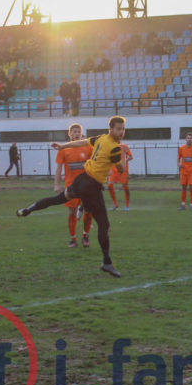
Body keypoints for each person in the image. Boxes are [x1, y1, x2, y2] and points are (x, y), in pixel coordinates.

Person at [16, 116, 127, 277]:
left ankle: (28, 210)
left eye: (123, 129)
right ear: (111, 129)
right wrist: (124, 152)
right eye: (118, 129)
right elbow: (121, 169)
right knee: (104, 224)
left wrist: (62, 146)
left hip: (81, 180)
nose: (121, 132)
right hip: (91, 186)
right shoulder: (115, 148)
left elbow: (81, 142)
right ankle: (107, 262)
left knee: (58, 199)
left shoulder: (101, 138)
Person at [55, 123, 95, 247]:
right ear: (70, 134)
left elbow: (94, 165)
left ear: (81, 134)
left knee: (88, 211)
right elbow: (59, 168)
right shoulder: (64, 149)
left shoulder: (88, 148)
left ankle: (85, 236)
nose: (76, 134)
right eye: (74, 132)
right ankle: (73, 238)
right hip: (71, 186)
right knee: (72, 212)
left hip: (87, 186)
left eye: (78, 132)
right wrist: (56, 184)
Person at [177, 132, 192, 210]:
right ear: (185, 139)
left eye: (191, 138)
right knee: (183, 187)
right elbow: (178, 159)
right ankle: (183, 205)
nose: (189, 139)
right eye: (188, 138)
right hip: (184, 171)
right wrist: (178, 164)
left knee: (191, 187)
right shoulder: (181, 148)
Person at [107, 142, 133, 211]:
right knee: (109, 185)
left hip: (123, 170)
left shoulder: (124, 146)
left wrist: (125, 161)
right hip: (113, 170)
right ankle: (115, 204)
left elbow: (131, 157)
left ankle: (127, 206)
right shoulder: (109, 146)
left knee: (125, 187)